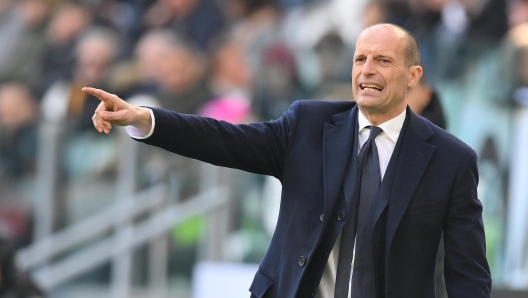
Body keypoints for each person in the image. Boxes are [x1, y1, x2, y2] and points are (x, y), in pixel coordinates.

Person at [84, 23, 491, 298]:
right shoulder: (309, 124)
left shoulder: (451, 160)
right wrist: (145, 119)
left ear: (413, 75)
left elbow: (468, 275)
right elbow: (223, 140)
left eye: (383, 61)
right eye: (360, 59)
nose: (367, 71)